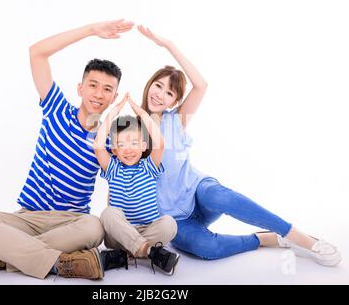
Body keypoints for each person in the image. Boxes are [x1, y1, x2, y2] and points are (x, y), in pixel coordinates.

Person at [136, 24, 342, 266]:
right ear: (149, 84)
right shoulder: (130, 128)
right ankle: (265, 239)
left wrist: (168, 44)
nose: (160, 95)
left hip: (199, 195)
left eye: (169, 93)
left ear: (176, 101)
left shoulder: (176, 121)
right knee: (205, 249)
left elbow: (201, 85)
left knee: (219, 197)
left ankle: (300, 237)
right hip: (173, 220)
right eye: (158, 86)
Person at [0, 19, 136, 280]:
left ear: (114, 98)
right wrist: (92, 30)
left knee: (95, 228)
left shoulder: (108, 140)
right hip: (27, 218)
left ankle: (0, 259)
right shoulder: (56, 108)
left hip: (71, 223)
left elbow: (119, 183)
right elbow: (37, 52)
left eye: (107, 89)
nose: (98, 93)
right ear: (80, 88)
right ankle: (57, 261)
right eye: (93, 85)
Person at [94, 93, 180, 275]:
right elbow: (98, 146)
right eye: (122, 145)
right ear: (115, 150)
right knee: (108, 214)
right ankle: (148, 252)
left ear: (143, 146)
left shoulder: (149, 166)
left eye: (134, 143)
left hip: (149, 229)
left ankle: (124, 256)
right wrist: (114, 111)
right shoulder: (113, 168)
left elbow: (160, 143)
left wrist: (140, 112)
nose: (129, 149)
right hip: (119, 234)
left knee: (170, 224)